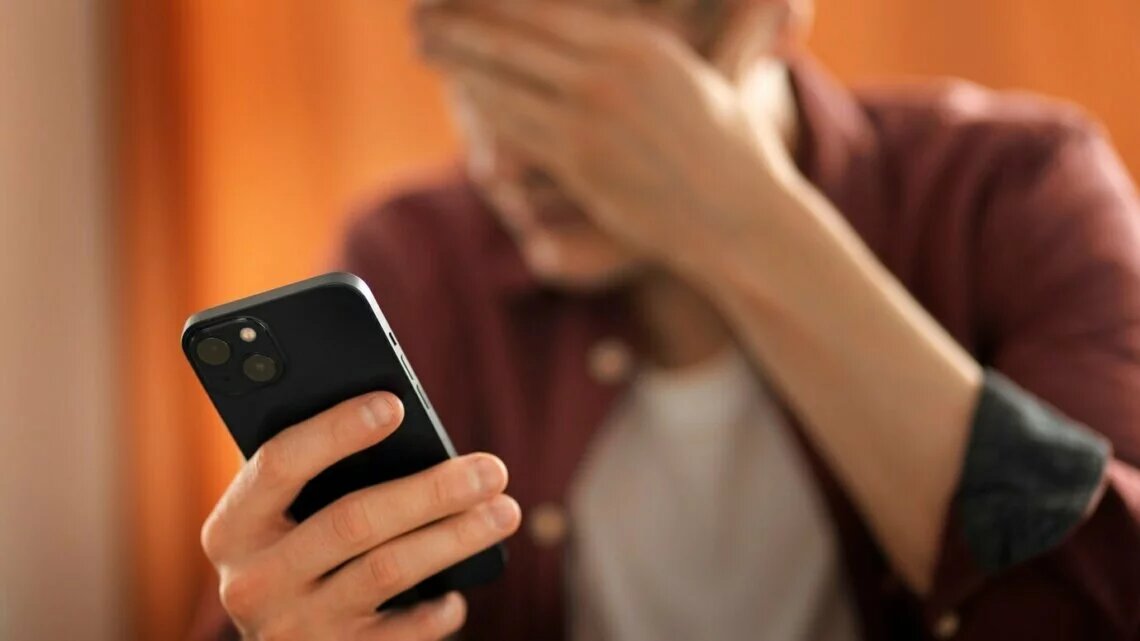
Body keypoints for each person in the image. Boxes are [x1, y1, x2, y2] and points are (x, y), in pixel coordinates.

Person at [190, 0, 1140, 639]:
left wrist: (743, 219)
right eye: (469, 78)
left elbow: (1107, 603)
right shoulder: (416, 258)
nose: (498, 161)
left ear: (770, 17)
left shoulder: (1017, 193)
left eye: (561, 90)